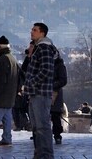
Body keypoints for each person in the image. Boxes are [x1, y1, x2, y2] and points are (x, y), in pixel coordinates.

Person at [23, 22, 57, 159]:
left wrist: (31, 83)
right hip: (35, 93)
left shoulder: (44, 48)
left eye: (35, 30)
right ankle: (40, 154)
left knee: (42, 127)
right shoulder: (38, 48)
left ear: (42, 33)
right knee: (37, 128)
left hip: (41, 93)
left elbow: (47, 70)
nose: (32, 32)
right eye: (32, 29)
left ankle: (46, 155)